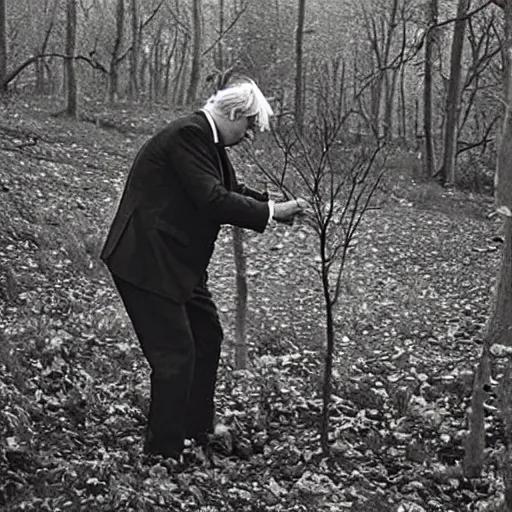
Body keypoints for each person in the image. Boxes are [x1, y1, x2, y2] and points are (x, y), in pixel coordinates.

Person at [100, 73, 307, 461]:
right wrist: (270, 212)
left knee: (207, 335)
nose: (249, 136)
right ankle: (163, 455)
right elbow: (213, 200)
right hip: (145, 260)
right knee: (175, 356)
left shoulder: (206, 142)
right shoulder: (188, 135)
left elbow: (227, 189)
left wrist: (273, 207)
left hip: (176, 262)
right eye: (248, 125)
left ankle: (196, 430)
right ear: (232, 113)